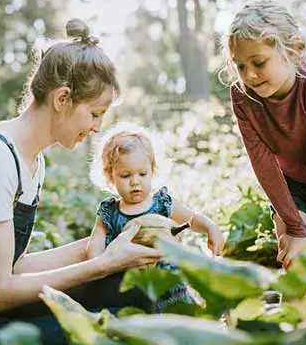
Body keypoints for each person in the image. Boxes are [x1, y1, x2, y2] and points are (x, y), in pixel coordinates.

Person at [0, 19, 164, 345]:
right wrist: (103, 264)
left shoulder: (31, 160)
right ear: (62, 98)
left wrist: (108, 243)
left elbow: (14, 267)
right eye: (95, 114)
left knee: (138, 290)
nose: (97, 129)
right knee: (118, 328)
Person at [222, 0, 306, 268]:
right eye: (240, 66)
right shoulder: (242, 96)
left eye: (258, 63)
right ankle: (292, 311)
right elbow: (263, 165)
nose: (249, 75)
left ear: (294, 51)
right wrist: (296, 230)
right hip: (289, 186)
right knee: (295, 257)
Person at [86, 125, 225, 311]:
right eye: (126, 175)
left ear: (152, 171)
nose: (135, 181)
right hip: (129, 286)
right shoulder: (109, 212)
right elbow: (94, 246)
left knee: (180, 317)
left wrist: (210, 227)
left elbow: (191, 218)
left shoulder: (161, 204)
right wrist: (99, 265)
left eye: (142, 174)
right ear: (110, 176)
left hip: (168, 284)